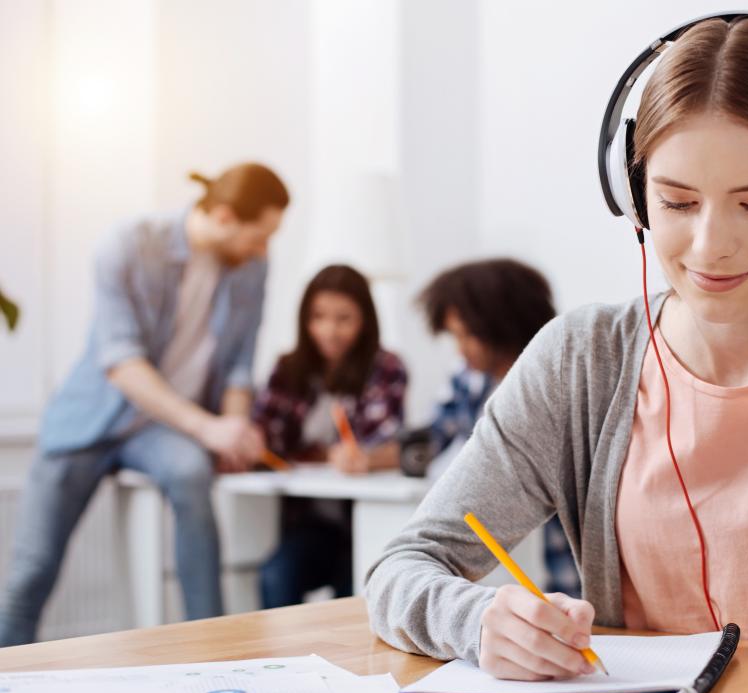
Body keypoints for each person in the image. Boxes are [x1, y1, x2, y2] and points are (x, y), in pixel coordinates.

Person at [366, 15, 748, 679]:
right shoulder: (581, 361)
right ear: (634, 197)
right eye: (678, 202)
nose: (710, 245)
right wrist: (480, 623)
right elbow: (400, 569)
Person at [0, 163, 289, 646]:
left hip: (162, 431)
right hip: (88, 421)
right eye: (258, 237)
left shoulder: (251, 268)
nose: (263, 250)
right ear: (222, 216)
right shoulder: (130, 244)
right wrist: (208, 428)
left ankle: (214, 646)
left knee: (192, 473)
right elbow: (121, 361)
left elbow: (240, 363)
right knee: (31, 570)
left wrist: (235, 427)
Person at [417, 258, 581, 598]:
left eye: (468, 335)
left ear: (500, 325)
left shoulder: (560, 385)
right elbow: (432, 434)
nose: (460, 349)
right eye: (454, 336)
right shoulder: (467, 380)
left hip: (564, 580)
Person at [254, 265, 407, 608]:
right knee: (275, 575)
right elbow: (266, 434)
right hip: (309, 522)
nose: (329, 331)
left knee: (352, 588)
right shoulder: (288, 369)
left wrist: (366, 458)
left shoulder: (387, 369)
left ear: (364, 320)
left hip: (363, 521)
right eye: (318, 317)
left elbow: (390, 442)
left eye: (344, 319)